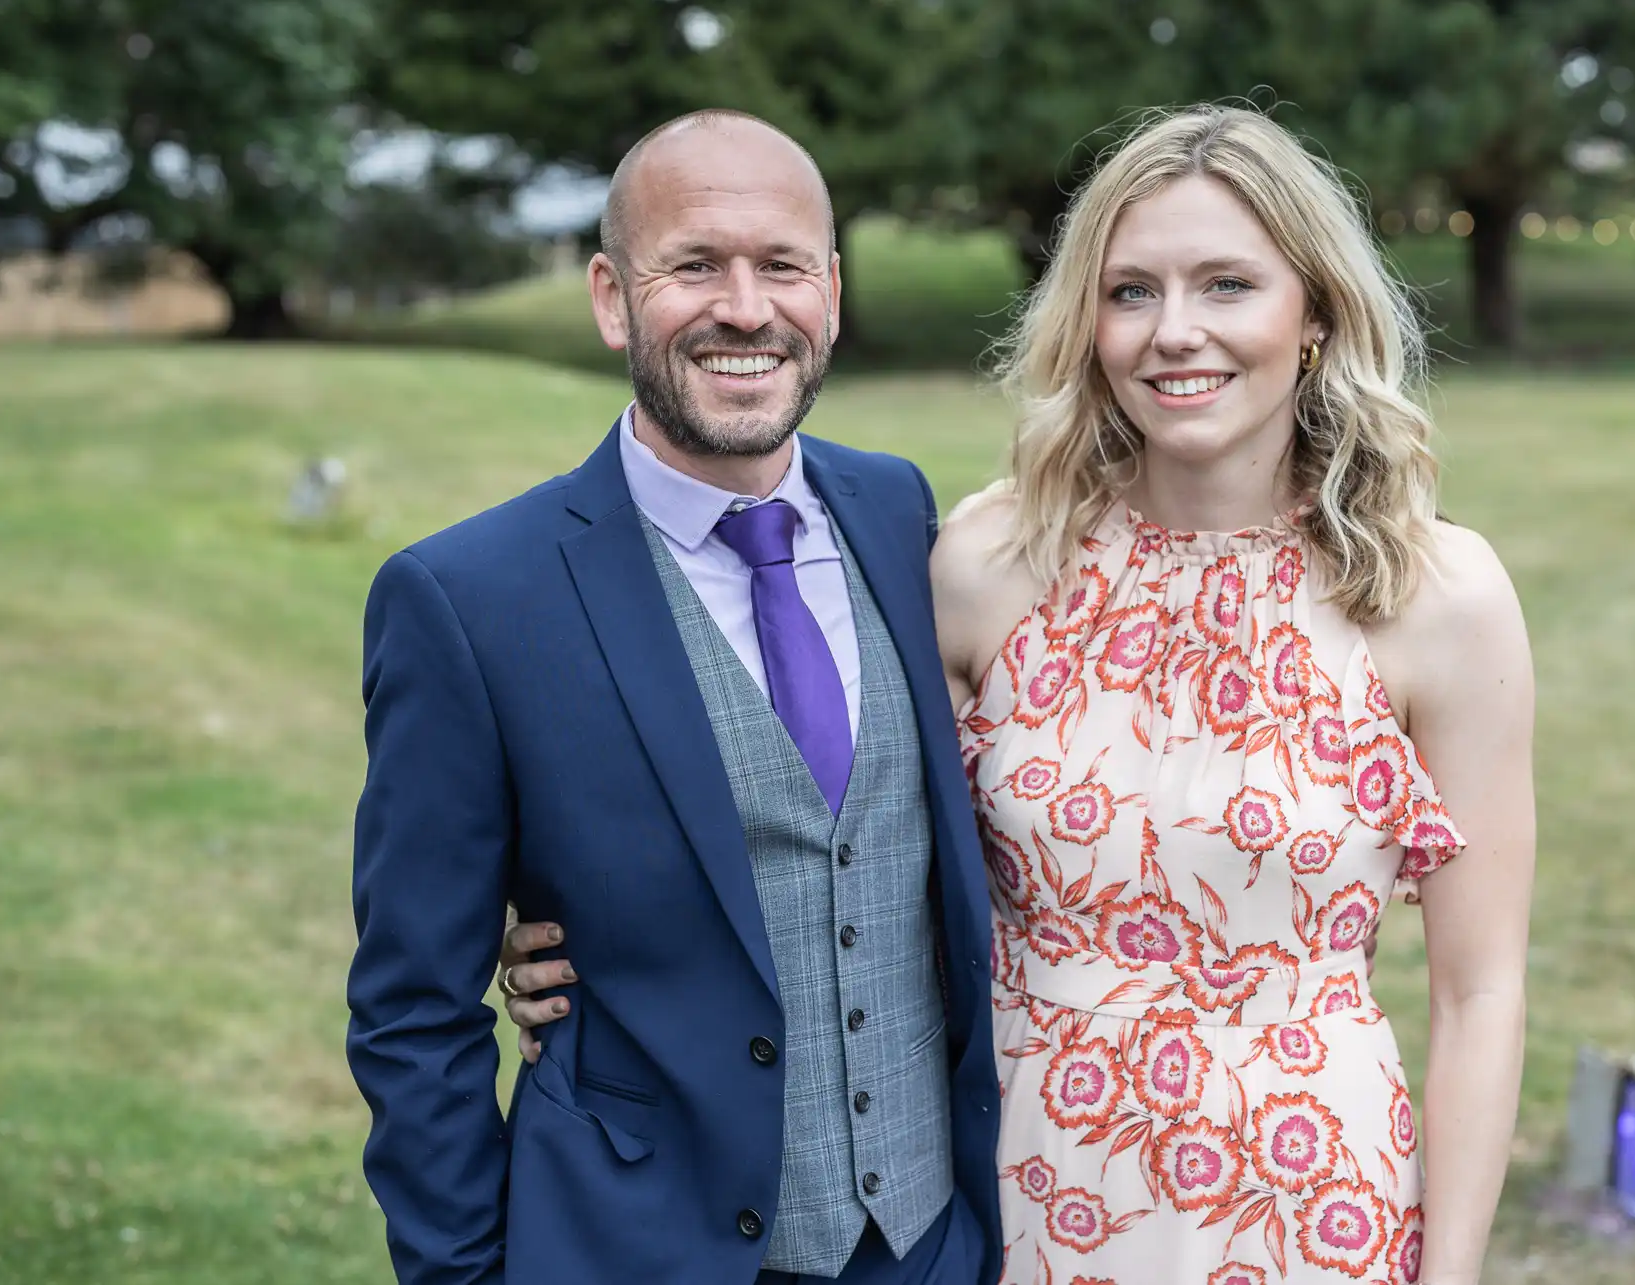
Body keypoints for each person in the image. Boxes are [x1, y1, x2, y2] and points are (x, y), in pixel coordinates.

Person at [506, 103, 1535, 1284]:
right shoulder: (989, 562)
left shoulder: (1436, 594)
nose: (1173, 333)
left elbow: (1479, 987)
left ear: (1312, 314)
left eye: (1227, 286)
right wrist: (561, 915)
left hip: (1309, 1202)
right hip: (1028, 1195)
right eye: (1130, 290)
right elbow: (823, 822)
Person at [346, 109, 1003, 1285]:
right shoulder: (467, 598)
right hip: (641, 1248)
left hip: (933, 1243)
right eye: (693, 264)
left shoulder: (900, 514)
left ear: (832, 296)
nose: (744, 308)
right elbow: (412, 1014)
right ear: (610, 296)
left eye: (782, 266)